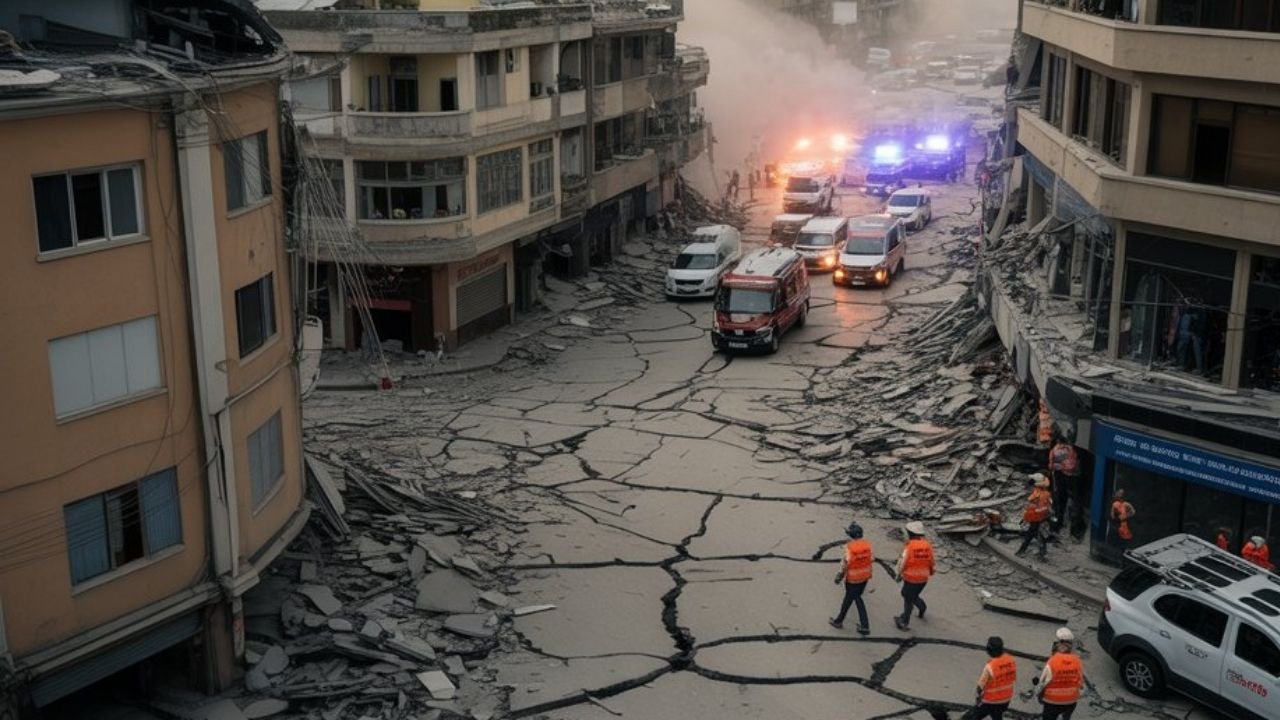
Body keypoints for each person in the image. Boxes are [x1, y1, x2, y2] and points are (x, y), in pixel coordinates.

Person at [830, 521, 873, 635]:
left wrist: (839, 576)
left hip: (853, 578)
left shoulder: (849, 547)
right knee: (849, 598)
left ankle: (865, 626)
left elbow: (845, 564)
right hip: (864, 577)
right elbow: (871, 559)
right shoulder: (867, 545)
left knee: (856, 599)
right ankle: (839, 620)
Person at [1034, 628, 1084, 720]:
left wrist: (1037, 693)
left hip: (1052, 702)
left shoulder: (1052, 662)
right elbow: (1080, 683)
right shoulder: (1077, 661)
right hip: (1071, 701)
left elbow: (1042, 682)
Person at [894, 521, 935, 631]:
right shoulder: (927, 545)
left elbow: (903, 562)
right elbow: (931, 561)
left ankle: (904, 621)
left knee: (908, 598)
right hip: (923, 578)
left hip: (911, 577)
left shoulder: (910, 547)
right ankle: (922, 608)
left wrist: (898, 574)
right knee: (913, 595)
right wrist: (931, 571)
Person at [969, 636, 1017, 720]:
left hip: (990, 701)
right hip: (1006, 699)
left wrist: (978, 699)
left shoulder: (991, 666)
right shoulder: (1010, 660)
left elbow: (980, 686)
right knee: (997, 715)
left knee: (973, 716)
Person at [1016, 474, 1053, 560]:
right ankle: (1041, 554)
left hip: (1037, 518)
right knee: (1038, 535)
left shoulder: (1039, 495)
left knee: (1034, 535)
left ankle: (1023, 551)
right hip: (1040, 518)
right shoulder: (1044, 493)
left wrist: (1027, 517)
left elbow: (1037, 508)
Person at [1047, 441, 1079, 535]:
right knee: (1062, 504)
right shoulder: (1070, 450)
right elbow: (1072, 465)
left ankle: (1055, 527)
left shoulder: (1055, 450)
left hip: (1062, 478)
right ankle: (1057, 526)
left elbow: (1051, 465)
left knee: (1059, 505)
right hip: (1067, 478)